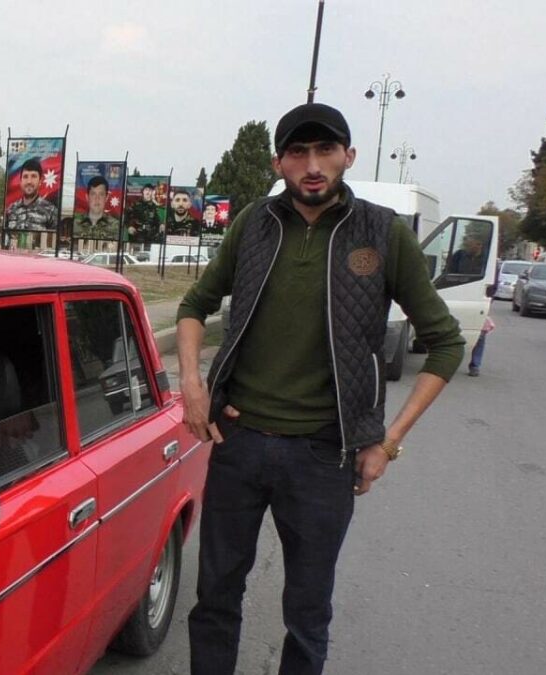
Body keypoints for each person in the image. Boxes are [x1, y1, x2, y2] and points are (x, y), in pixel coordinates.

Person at [176, 102, 465, 675]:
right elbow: (194, 305)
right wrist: (191, 384)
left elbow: (446, 344)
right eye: (298, 152)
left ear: (347, 156)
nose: (313, 165)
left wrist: (388, 442)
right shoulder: (254, 224)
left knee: (307, 614)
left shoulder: (382, 233)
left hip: (324, 457)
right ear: (279, 163)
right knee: (215, 598)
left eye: (326, 150)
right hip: (238, 442)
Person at [5, 158, 58, 230]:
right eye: (25, 177)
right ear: (20, 181)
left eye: (33, 176)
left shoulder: (51, 211)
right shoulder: (11, 210)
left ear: (40, 181)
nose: (29, 181)